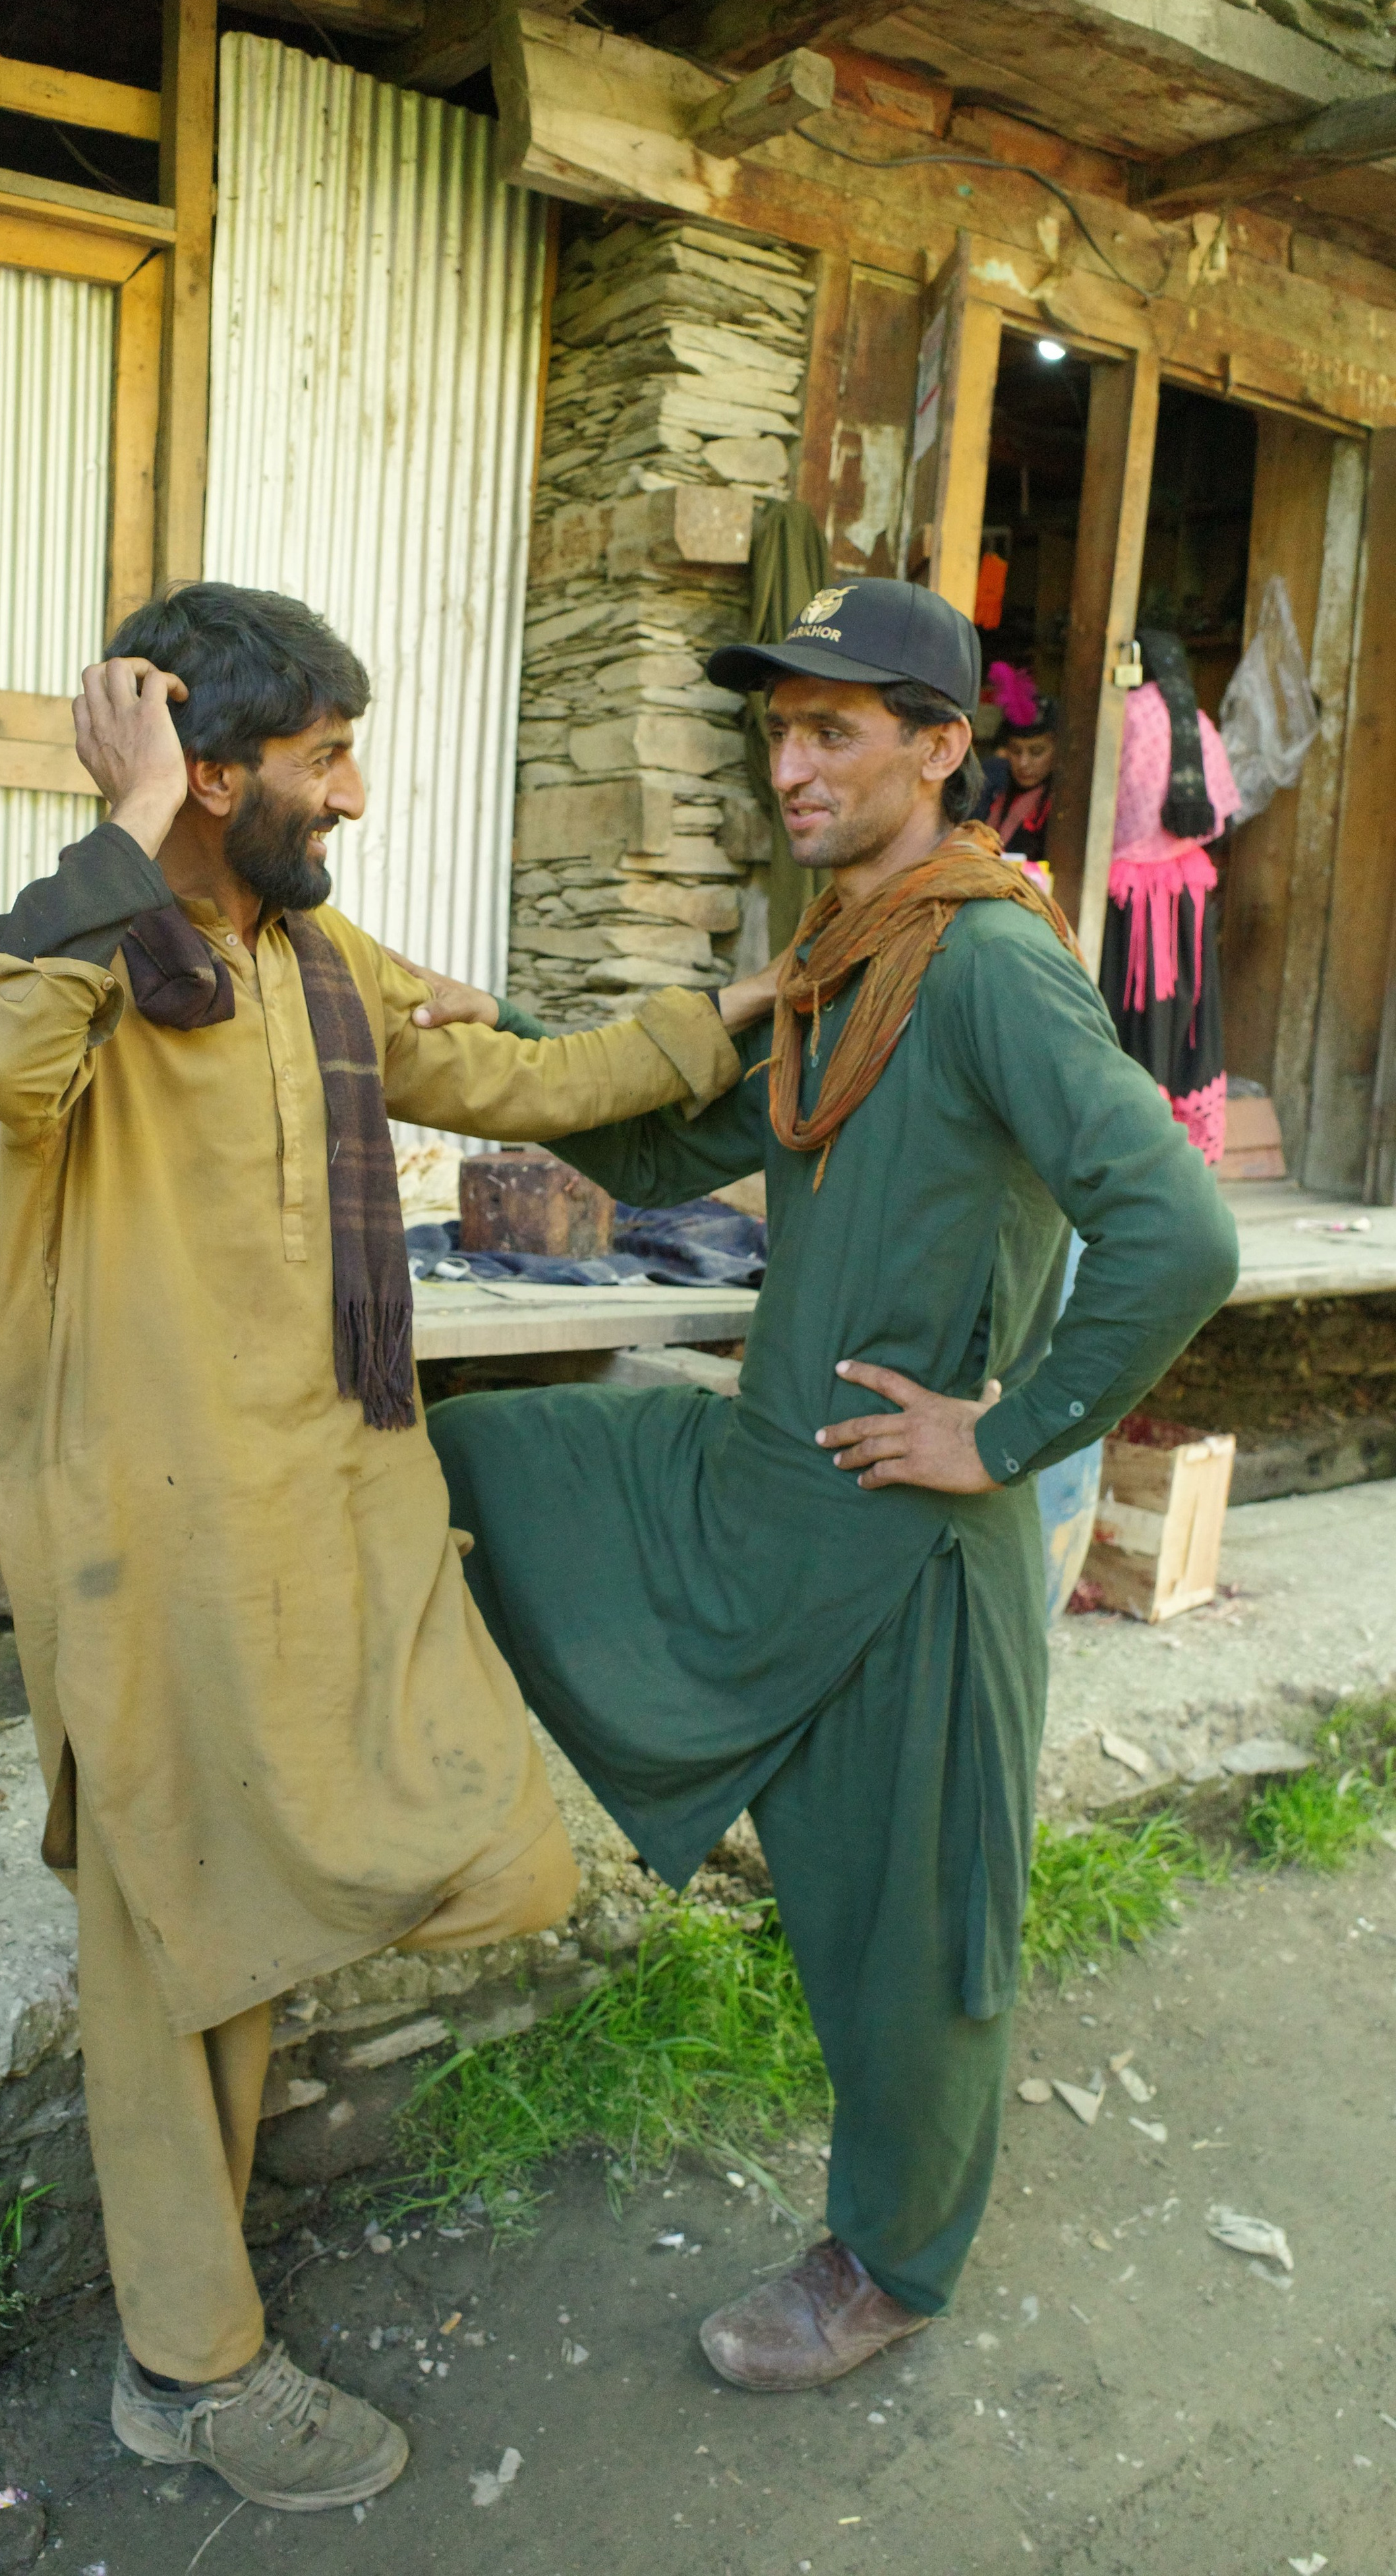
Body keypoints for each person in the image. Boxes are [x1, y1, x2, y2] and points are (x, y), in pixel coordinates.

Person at [0, 583, 772, 2513]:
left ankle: (200, 2277)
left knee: (400, 1838)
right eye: (321, 759)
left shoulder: (312, 958)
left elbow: (524, 1086)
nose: (360, 793)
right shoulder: (84, 956)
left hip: (322, 1505)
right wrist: (122, 826)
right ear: (204, 771)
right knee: (169, 1932)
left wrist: (735, 1019)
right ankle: (189, 2370)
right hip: (146, 1531)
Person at [428, 578, 1239, 2395]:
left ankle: (887, 2263)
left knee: (916, 1929)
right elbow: (676, 1133)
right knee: (465, 1453)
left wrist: (1007, 1430)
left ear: (943, 748)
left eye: (835, 730)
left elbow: (1177, 1226)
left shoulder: (989, 961)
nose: (790, 764)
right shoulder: (844, 962)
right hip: (764, 1488)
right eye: (777, 728)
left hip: (910, 1543)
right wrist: (481, 1057)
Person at [1099, 626, 1240, 1163]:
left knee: (1127, 1010)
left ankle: (1129, 1133)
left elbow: (1104, 808)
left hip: (1128, 898)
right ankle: (1182, 1141)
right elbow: (1221, 815)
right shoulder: (1198, 722)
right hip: (1186, 895)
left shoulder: (1126, 716)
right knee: (1183, 1008)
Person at [975, 661, 1057, 873]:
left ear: (1058, 751)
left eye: (1037, 752)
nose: (1023, 763)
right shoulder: (992, 790)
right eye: (1015, 751)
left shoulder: (1060, 809)